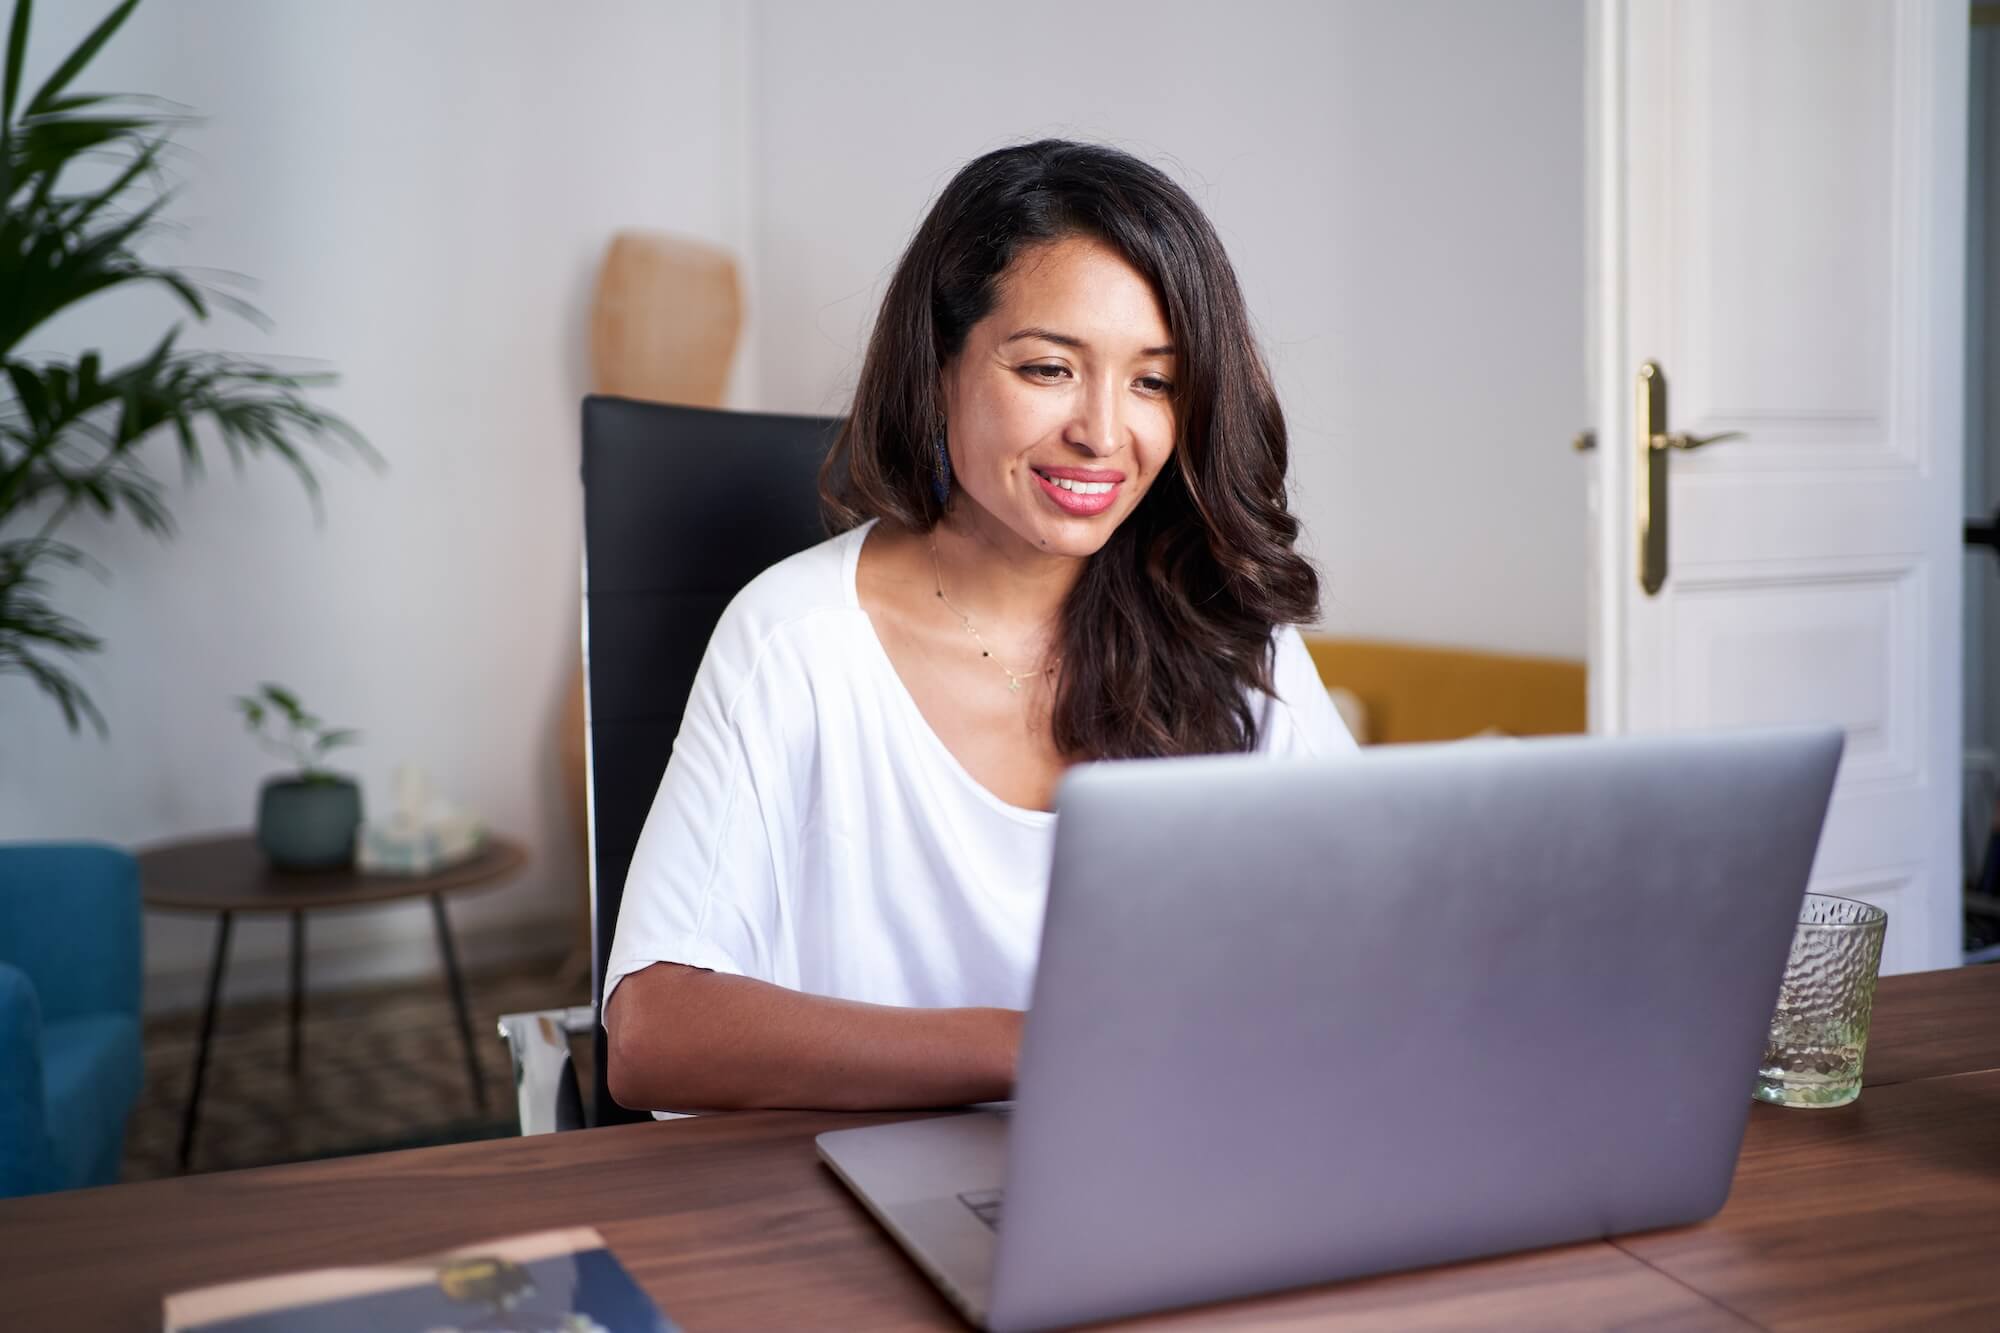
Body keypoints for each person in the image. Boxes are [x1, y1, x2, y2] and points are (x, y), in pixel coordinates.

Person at [603, 139, 1355, 1115]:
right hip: (848, 1197)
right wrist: (1025, 1045)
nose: (1101, 432)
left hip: (1169, 1164)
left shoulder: (1221, 628)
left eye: (1153, 382)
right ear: (939, 366)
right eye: (1047, 367)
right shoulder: (793, 641)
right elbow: (656, 1033)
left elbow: (1367, 933)